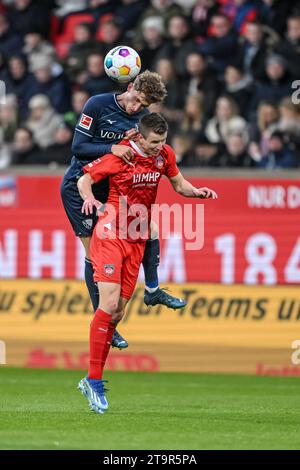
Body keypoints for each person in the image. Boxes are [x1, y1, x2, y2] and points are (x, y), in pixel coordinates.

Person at [76, 112, 218, 414]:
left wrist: (197, 193)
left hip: (137, 238)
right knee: (108, 302)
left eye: (163, 141)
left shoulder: (164, 155)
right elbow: (84, 180)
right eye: (154, 142)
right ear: (140, 137)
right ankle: (95, 380)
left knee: (116, 313)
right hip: (111, 233)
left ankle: (92, 380)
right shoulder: (123, 155)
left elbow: (179, 185)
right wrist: (92, 200)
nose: (159, 147)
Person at [60, 70, 186, 351]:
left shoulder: (139, 121)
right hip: (81, 186)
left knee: (150, 228)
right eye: (136, 100)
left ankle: (152, 290)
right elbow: (78, 147)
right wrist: (112, 147)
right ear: (130, 87)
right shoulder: (97, 104)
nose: (136, 108)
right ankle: (103, 320)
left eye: (143, 106)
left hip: (113, 187)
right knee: (94, 252)